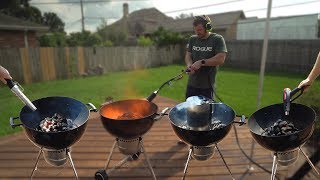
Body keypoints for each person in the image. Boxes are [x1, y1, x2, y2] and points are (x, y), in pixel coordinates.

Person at [184, 15, 227, 100]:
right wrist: (189, 65)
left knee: (206, 112)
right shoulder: (192, 39)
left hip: (207, 86)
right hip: (192, 84)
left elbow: (221, 58)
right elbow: (188, 55)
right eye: (195, 30)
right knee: (189, 109)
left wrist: (201, 62)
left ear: (208, 27)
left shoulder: (217, 39)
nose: (197, 32)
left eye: (199, 30)